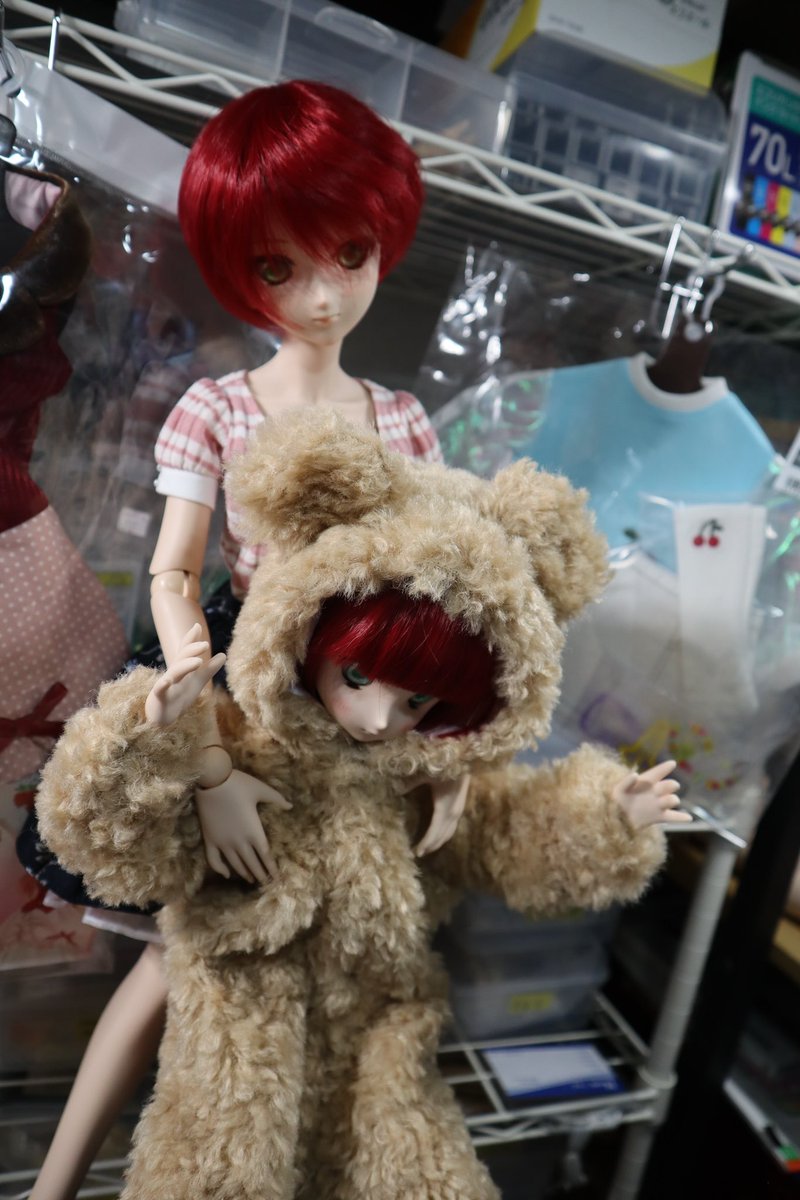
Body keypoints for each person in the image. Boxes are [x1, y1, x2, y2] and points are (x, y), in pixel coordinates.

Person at [27, 80, 466, 1200]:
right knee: (175, 961)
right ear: (240, 271)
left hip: (368, 696)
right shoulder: (217, 407)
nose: (322, 295)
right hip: (248, 683)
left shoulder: (403, 417)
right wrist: (210, 758)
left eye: (351, 254)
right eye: (281, 268)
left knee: (319, 965)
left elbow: (438, 581)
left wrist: (449, 751)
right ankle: (59, 1180)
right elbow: (174, 576)